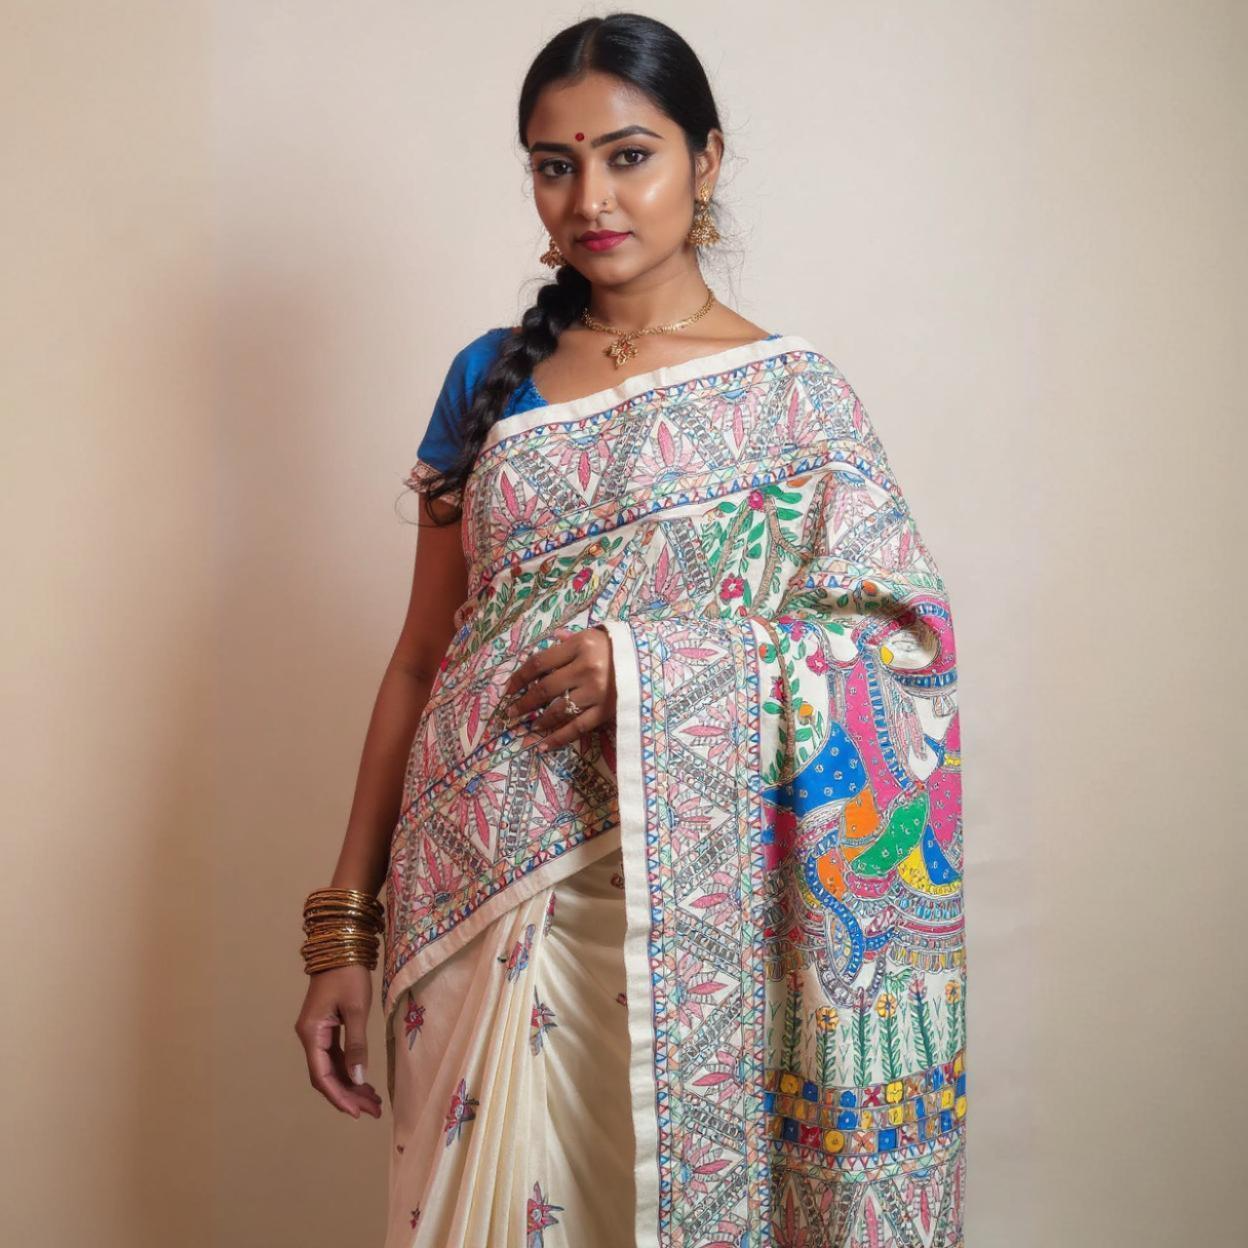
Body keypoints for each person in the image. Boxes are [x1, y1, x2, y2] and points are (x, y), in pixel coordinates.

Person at [293, 12, 967, 1247]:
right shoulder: (487, 378)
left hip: (694, 909)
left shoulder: (798, 399)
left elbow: (901, 652)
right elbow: (420, 658)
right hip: (476, 895)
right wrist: (344, 927)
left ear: (707, 161)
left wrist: (652, 672)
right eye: (555, 165)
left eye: (629, 156)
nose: (590, 198)